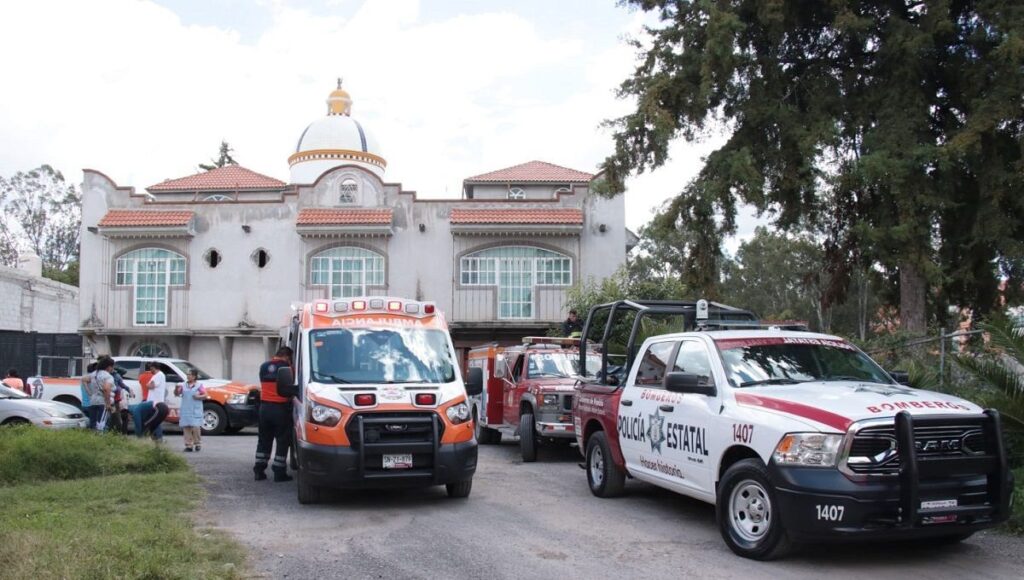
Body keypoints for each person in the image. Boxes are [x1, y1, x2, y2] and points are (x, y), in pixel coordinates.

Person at [254, 346, 294, 482]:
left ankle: (259, 470)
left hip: (264, 408)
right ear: (287, 357)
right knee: (282, 440)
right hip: (280, 408)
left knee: (264, 439)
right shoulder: (287, 368)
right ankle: (279, 471)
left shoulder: (263, 366)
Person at [176, 370, 208, 452]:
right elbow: (177, 393)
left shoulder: (199, 385)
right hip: (186, 409)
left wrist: (198, 397)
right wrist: (176, 388)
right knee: (186, 427)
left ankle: (197, 443)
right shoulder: (183, 385)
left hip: (195, 409)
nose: (188, 376)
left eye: (189, 374)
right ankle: (188, 445)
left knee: (196, 427)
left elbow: (205, 395)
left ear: (194, 376)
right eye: (187, 374)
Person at [139, 362, 169, 441]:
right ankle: (155, 437)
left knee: (155, 419)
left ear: (154, 367)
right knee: (154, 419)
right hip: (154, 401)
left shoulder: (158, 375)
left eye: (151, 368)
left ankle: (158, 437)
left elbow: (151, 386)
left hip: (156, 402)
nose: (150, 370)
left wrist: (148, 385)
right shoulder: (157, 375)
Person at [88, 357, 116, 430]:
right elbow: (106, 388)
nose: (113, 368)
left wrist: (90, 393)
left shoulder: (93, 374)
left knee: (93, 425)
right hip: (103, 402)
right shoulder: (108, 376)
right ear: (109, 367)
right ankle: (101, 440)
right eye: (112, 366)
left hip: (93, 401)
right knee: (101, 425)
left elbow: (84, 380)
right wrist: (108, 403)